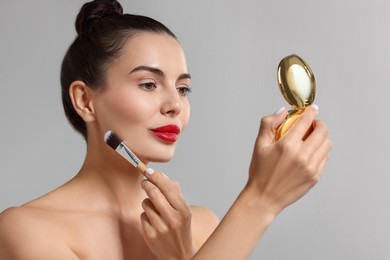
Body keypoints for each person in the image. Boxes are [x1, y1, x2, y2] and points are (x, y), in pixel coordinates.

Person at [0, 0, 332, 259]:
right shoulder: (27, 230)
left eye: (183, 88)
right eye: (148, 84)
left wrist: (180, 254)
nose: (175, 104)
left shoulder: (203, 226)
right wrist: (261, 200)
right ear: (85, 100)